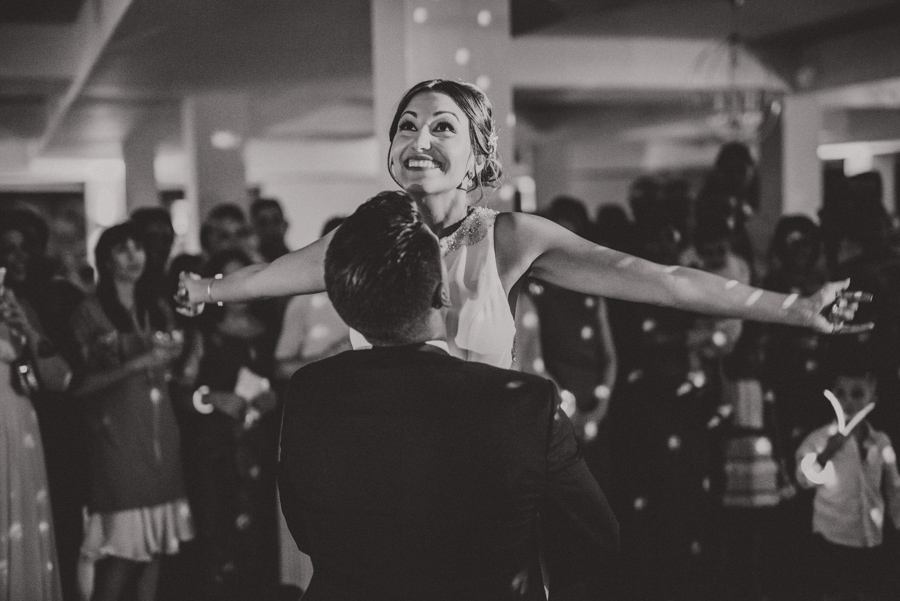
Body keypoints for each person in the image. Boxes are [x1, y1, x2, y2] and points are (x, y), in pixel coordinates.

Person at [177, 79, 867, 370]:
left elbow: (653, 278)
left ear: (481, 156)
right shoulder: (363, 238)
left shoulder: (509, 239)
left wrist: (792, 307)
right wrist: (201, 291)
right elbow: (269, 277)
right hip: (388, 464)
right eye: (407, 126)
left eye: (441, 126)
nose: (418, 138)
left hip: (484, 465)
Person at [278, 191, 620, 600]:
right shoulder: (525, 404)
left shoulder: (310, 391)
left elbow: (303, 529)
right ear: (442, 295)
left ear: (345, 305)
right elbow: (597, 541)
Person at [70, 222, 193, 601]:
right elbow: (79, 386)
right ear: (105, 259)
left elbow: (175, 372)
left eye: (137, 247)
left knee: (154, 548)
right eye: (121, 249)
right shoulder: (89, 311)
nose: (132, 256)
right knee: (124, 550)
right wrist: (138, 363)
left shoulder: (155, 307)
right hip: (117, 434)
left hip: (160, 427)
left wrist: (177, 357)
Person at [175, 248, 282, 600]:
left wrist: (275, 398)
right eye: (225, 279)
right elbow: (181, 393)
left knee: (262, 535)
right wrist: (213, 398)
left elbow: (284, 378)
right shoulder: (202, 329)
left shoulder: (271, 327)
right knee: (217, 533)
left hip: (262, 445)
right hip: (215, 449)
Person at [0, 210, 84, 601]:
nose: (17, 258)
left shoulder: (46, 298)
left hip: (42, 426)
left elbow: (61, 377)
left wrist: (28, 331)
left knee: (54, 525)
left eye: (25, 249)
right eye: (8, 249)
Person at [795, 366, 900, 600]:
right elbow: (803, 480)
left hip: (871, 537)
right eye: (840, 393)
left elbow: (895, 487)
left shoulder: (880, 441)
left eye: (857, 394)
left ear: (873, 399)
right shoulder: (819, 439)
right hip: (832, 539)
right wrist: (826, 454)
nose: (847, 401)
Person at [1, 271, 65, 600]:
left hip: (17, 420)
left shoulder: (13, 302)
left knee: (19, 518)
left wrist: (25, 327)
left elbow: (58, 378)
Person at [250, 198, 291, 263]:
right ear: (254, 228)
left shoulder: (299, 262)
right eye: (263, 222)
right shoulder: (248, 266)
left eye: (276, 220)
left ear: (285, 225)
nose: (271, 227)